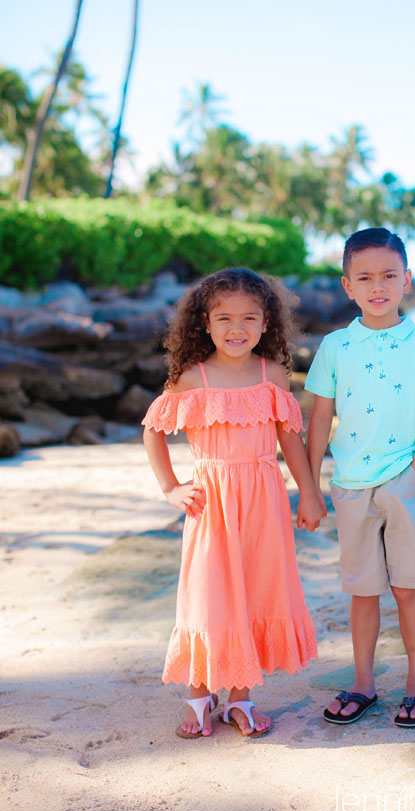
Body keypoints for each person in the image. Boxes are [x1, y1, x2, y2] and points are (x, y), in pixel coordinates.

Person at [142, 268, 325, 739]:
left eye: (249, 318)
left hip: (264, 503)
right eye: (224, 318)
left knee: (257, 592)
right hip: (212, 505)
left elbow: (290, 439)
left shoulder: (273, 373)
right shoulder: (192, 376)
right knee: (211, 596)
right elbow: (153, 431)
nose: (237, 329)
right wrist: (171, 487)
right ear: (204, 322)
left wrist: (309, 492)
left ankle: (241, 699)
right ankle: (200, 696)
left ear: (267, 324)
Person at [305, 228, 415, 728]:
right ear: (347, 285)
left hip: (404, 483)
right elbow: (320, 419)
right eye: (365, 277)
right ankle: (363, 683)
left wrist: (414, 474)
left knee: (409, 588)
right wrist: (311, 484)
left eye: (389, 275)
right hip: (350, 485)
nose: (378, 286)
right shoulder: (334, 346)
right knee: (363, 590)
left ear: (406, 280)